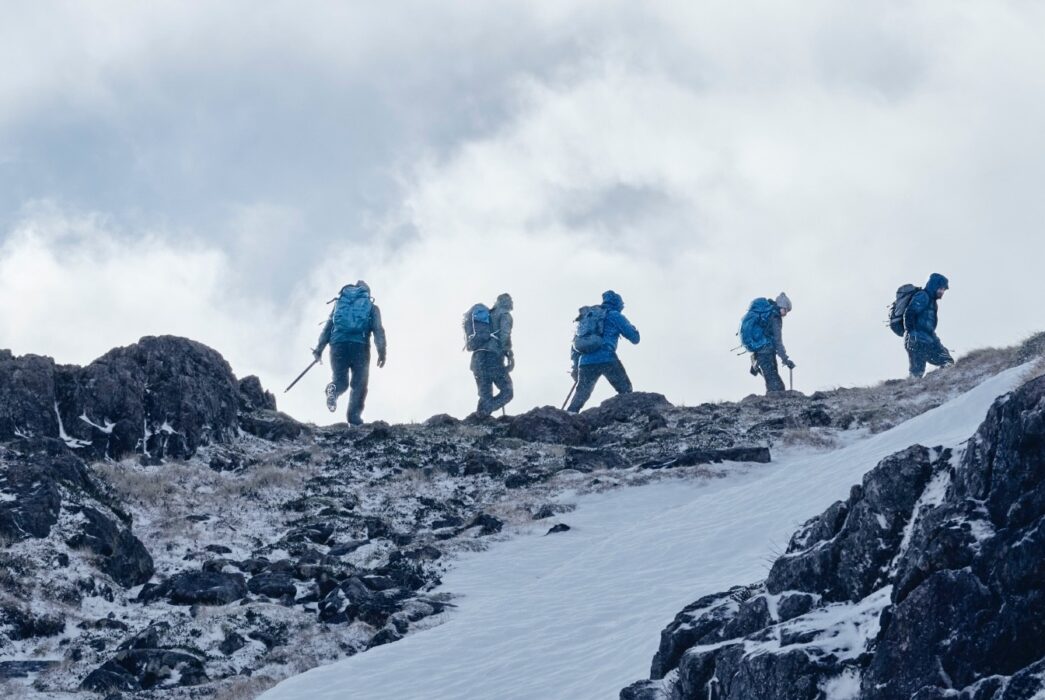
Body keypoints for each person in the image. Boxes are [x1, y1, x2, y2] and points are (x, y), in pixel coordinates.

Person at [313, 280, 387, 425]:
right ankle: (354, 419)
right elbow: (378, 330)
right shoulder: (372, 307)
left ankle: (333, 389)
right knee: (359, 384)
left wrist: (319, 349)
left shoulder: (340, 304)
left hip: (337, 345)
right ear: (367, 293)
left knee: (341, 382)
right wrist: (382, 352)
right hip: (360, 347)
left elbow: (328, 327)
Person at [566, 290, 640, 413]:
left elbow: (575, 345)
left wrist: (575, 368)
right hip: (607, 358)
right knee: (625, 390)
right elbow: (635, 338)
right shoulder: (614, 315)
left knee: (580, 396)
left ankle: (568, 417)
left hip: (585, 362)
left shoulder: (588, 317)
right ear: (618, 304)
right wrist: (634, 330)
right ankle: (627, 416)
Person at [471, 293, 515, 417]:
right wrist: (508, 353)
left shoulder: (487, 315)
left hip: (477, 359)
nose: (512, 302)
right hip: (493, 358)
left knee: (485, 394)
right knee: (508, 391)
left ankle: (480, 419)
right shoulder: (505, 315)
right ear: (506, 302)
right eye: (510, 300)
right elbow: (504, 336)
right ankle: (485, 412)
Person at [743, 293, 795, 394]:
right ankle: (772, 407)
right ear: (781, 306)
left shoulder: (768, 314)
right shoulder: (775, 317)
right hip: (765, 353)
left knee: (773, 381)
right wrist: (785, 359)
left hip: (763, 352)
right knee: (776, 387)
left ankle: (771, 405)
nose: (786, 314)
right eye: (786, 310)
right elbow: (778, 341)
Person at [903, 273, 954, 378]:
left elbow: (928, 328)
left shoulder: (932, 302)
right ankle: (910, 391)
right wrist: (913, 334)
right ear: (934, 286)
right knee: (917, 373)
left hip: (928, 339)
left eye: (944, 289)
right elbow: (909, 313)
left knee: (947, 361)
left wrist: (936, 341)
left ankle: (935, 385)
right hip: (916, 341)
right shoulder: (923, 296)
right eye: (941, 288)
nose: (942, 292)